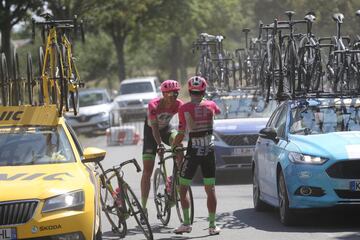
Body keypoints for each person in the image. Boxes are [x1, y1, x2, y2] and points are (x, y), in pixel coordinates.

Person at [172, 76, 221, 235]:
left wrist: (174, 145)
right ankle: (212, 226)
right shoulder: (211, 105)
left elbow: (180, 133)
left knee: (183, 187)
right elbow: (217, 112)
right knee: (210, 188)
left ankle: (186, 223)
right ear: (204, 90)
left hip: (194, 151)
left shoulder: (184, 109)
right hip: (209, 150)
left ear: (189, 90)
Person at [140, 79, 184, 220]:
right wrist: (159, 145)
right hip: (151, 133)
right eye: (171, 94)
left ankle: (176, 176)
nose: (174, 97)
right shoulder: (153, 105)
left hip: (166, 129)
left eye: (176, 94)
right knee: (148, 170)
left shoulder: (179, 104)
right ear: (164, 94)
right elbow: (154, 128)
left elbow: (184, 125)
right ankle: (143, 207)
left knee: (179, 146)